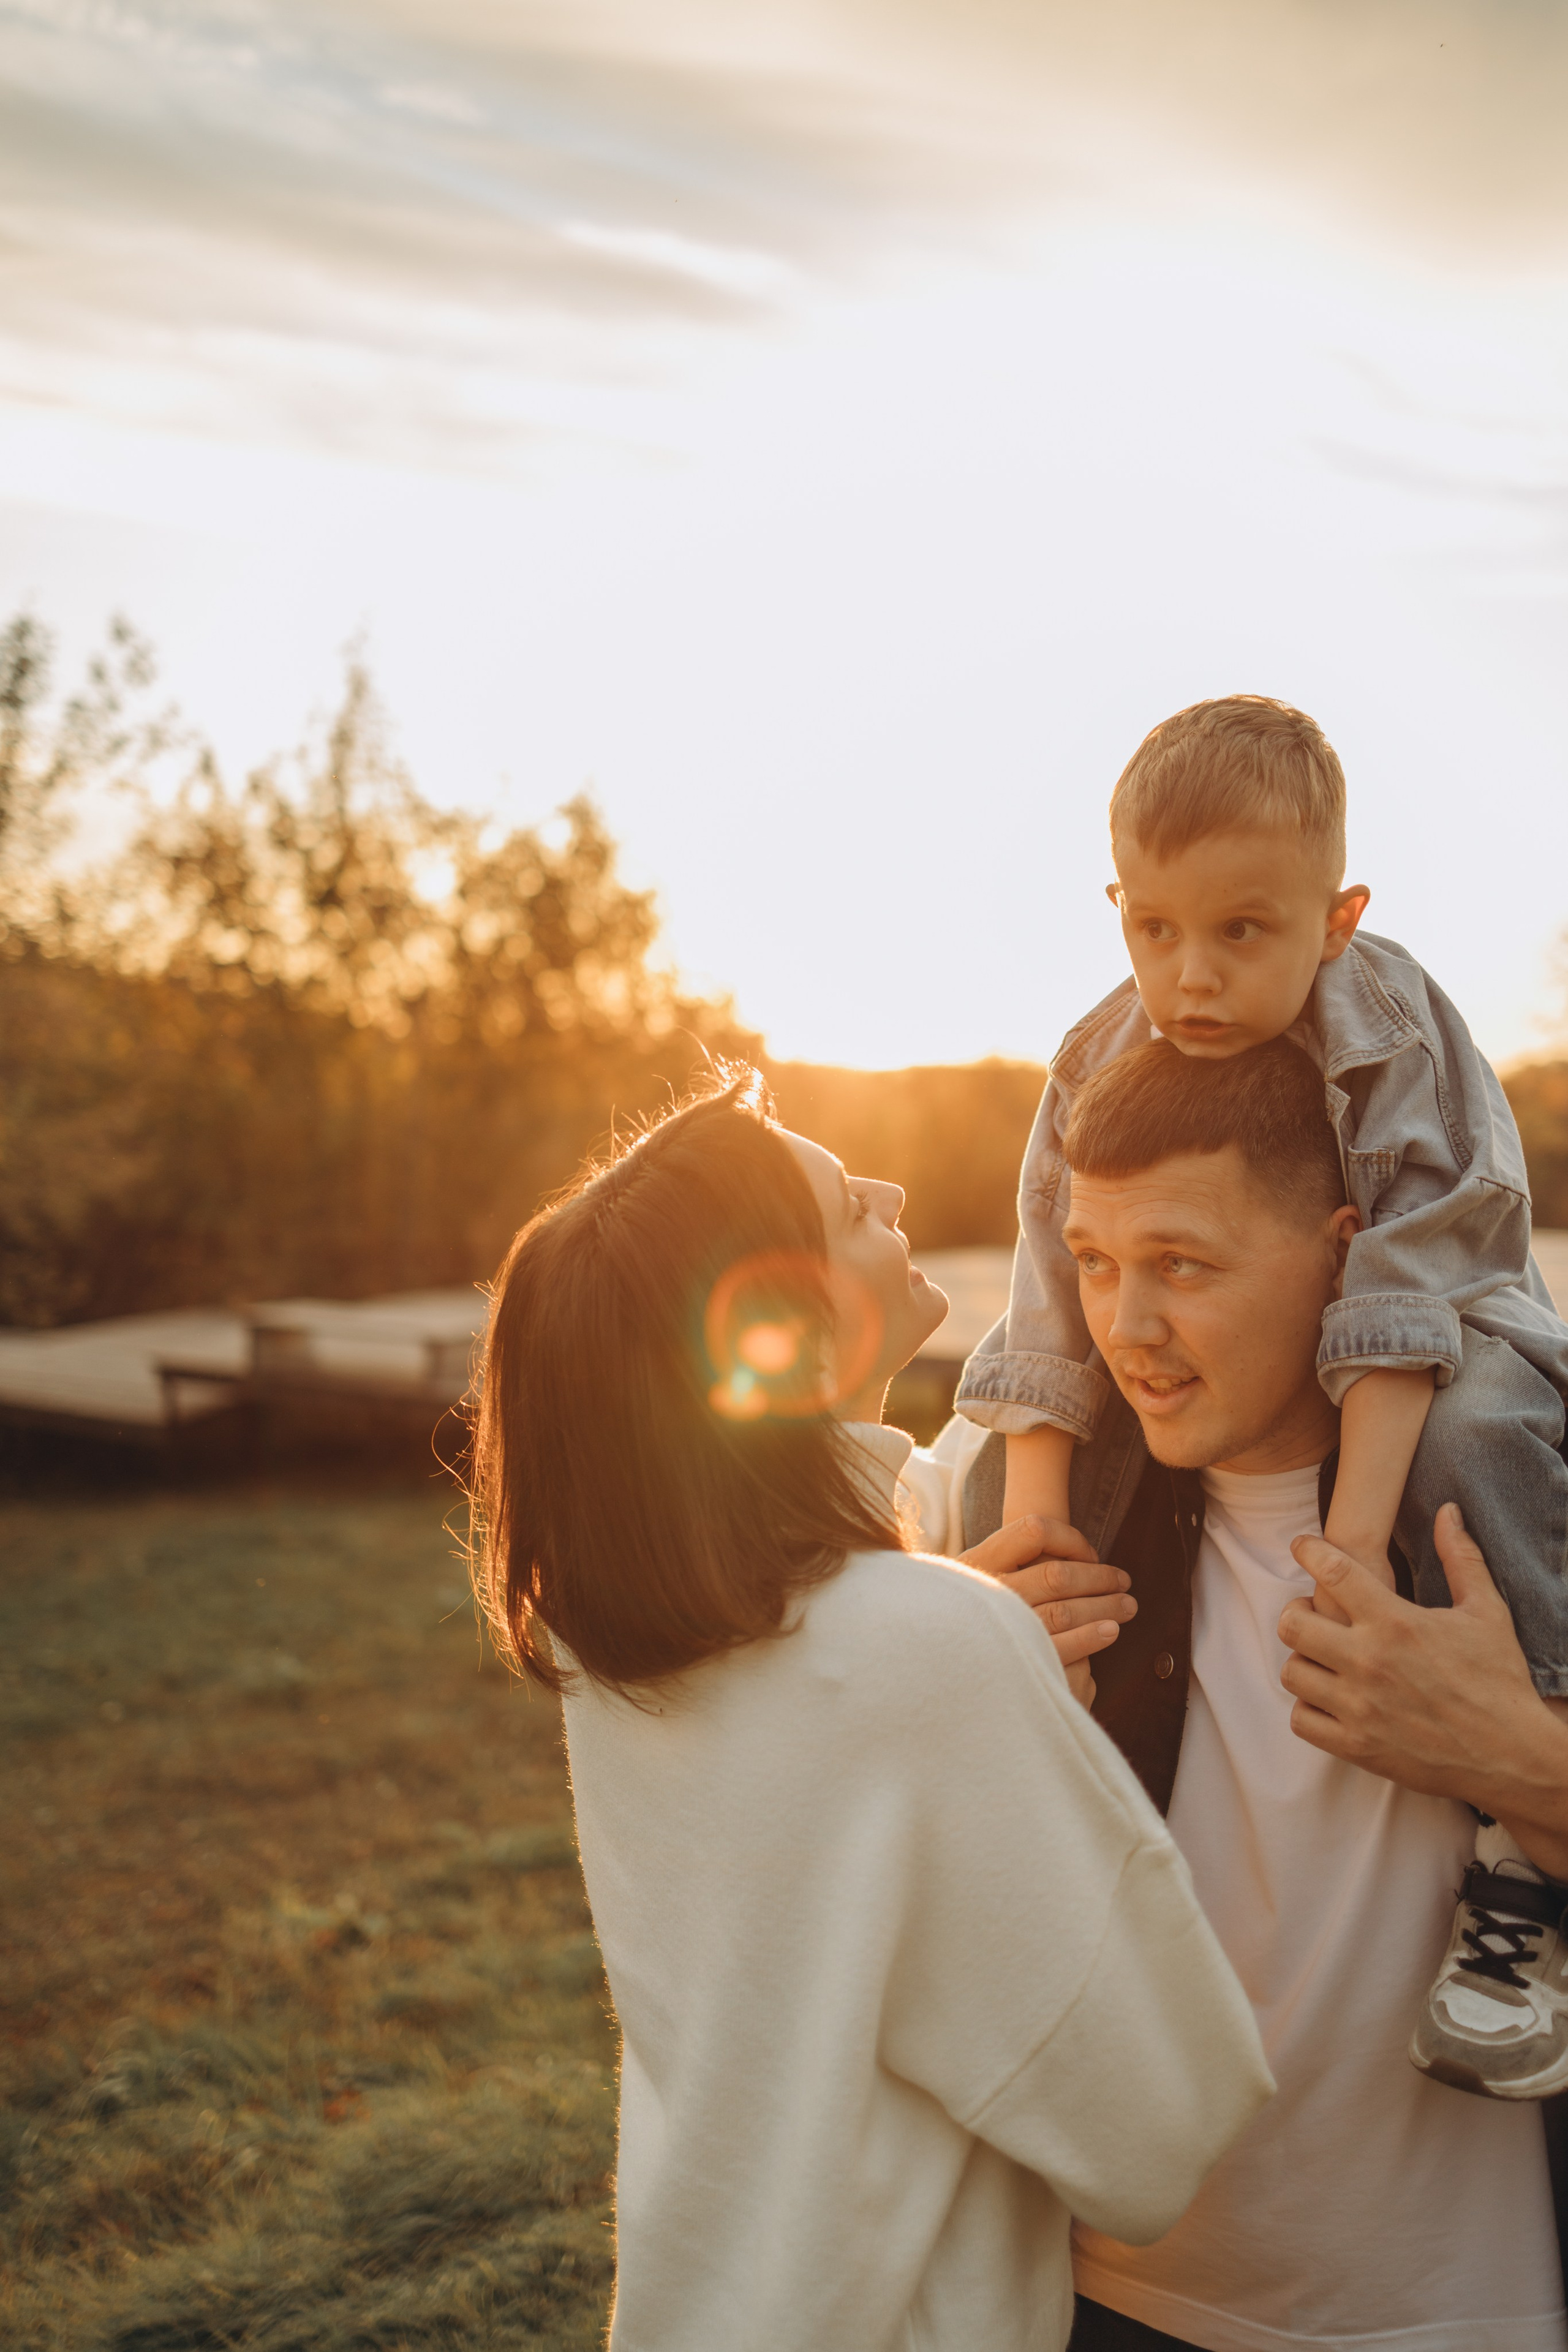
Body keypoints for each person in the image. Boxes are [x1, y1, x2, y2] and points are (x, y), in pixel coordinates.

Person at [467, 1075, 1271, 2352]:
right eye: (850, 1204)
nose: (893, 1194)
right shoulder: (925, 1647)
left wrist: (954, 1629)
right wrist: (998, 1679)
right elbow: (1155, 2128)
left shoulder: (612, 1637)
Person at [956, 693, 1568, 2095]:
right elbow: (1049, 1282)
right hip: (1140, 2271)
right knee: (1007, 1486)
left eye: (1242, 932)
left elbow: (1404, 1288)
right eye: (1152, 930)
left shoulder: (1400, 1034)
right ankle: (1068, 1882)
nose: (1191, 981)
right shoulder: (1099, 1053)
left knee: (1471, 1441)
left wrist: (1352, 1541)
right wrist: (1034, 1524)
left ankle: (1519, 1863)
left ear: (1336, 918)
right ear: (1115, 903)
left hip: (1458, 1329)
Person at [960, 1036, 1568, 2352]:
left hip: (1471, 2310)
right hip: (1102, 2295)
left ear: (1349, 1256)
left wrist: (1519, 1759)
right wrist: (958, 1697)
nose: (1124, 1328)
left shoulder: (1531, 1497)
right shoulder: (1015, 1519)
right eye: (1095, 1263)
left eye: (1180, 1264)